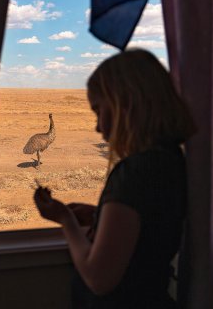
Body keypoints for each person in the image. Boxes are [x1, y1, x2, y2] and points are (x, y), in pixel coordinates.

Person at [34, 49, 196, 308]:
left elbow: (98, 278)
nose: (98, 126)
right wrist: (102, 216)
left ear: (125, 104)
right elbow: (149, 229)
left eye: (99, 110)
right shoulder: (172, 160)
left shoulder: (133, 173)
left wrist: (65, 220)